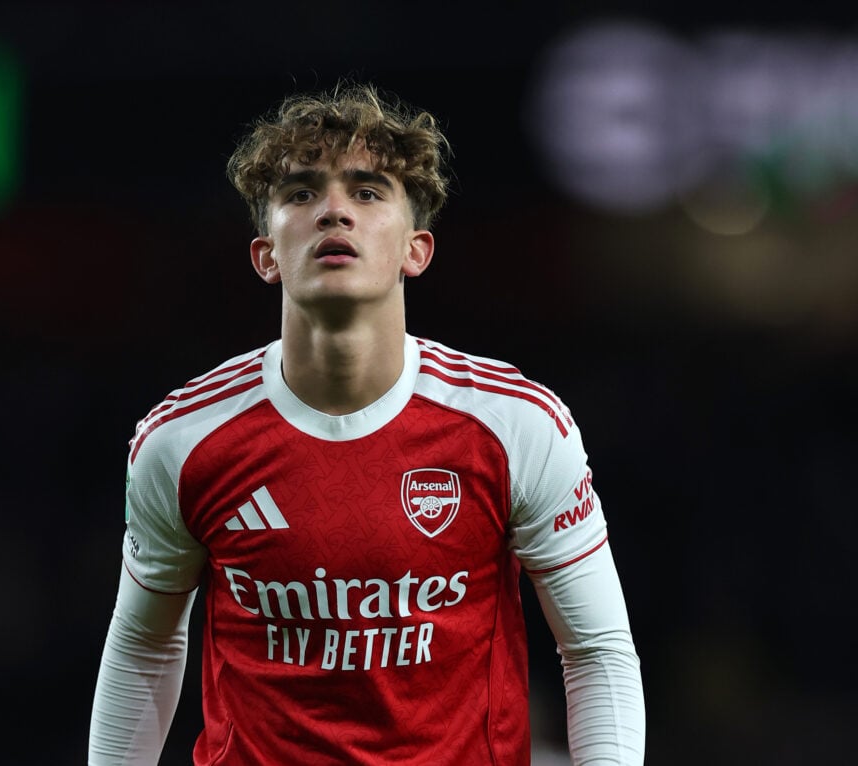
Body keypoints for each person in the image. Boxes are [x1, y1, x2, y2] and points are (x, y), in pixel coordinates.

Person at [88, 81, 645, 765]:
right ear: (265, 255)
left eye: (367, 192)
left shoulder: (516, 427)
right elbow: (145, 647)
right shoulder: (181, 443)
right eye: (300, 193)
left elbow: (595, 652)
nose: (333, 212)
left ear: (417, 249)